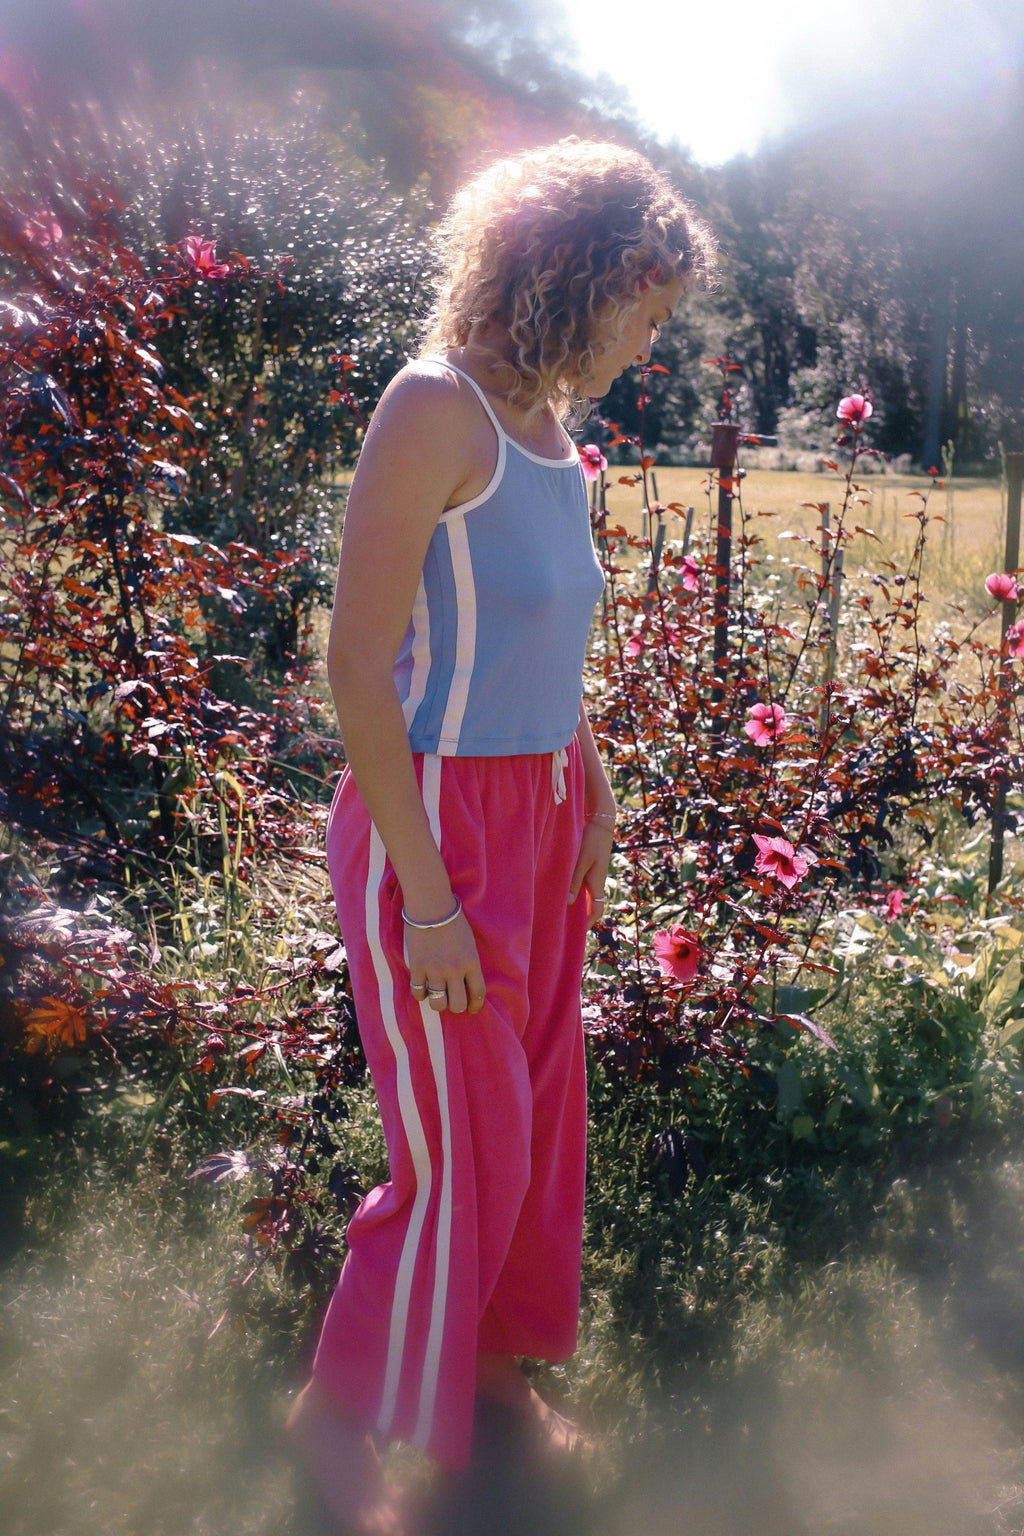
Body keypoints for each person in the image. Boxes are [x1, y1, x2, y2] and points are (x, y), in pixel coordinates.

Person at [288, 136, 713, 1534]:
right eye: (643, 311)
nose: (646, 344)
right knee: (460, 1144)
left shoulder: (549, 439)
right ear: (581, 270)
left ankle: (488, 1375)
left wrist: (587, 777)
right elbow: (359, 668)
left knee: (527, 1129)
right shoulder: (436, 409)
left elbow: (535, 642)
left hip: (530, 820)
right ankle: (337, 1420)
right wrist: (424, 899)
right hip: (436, 829)